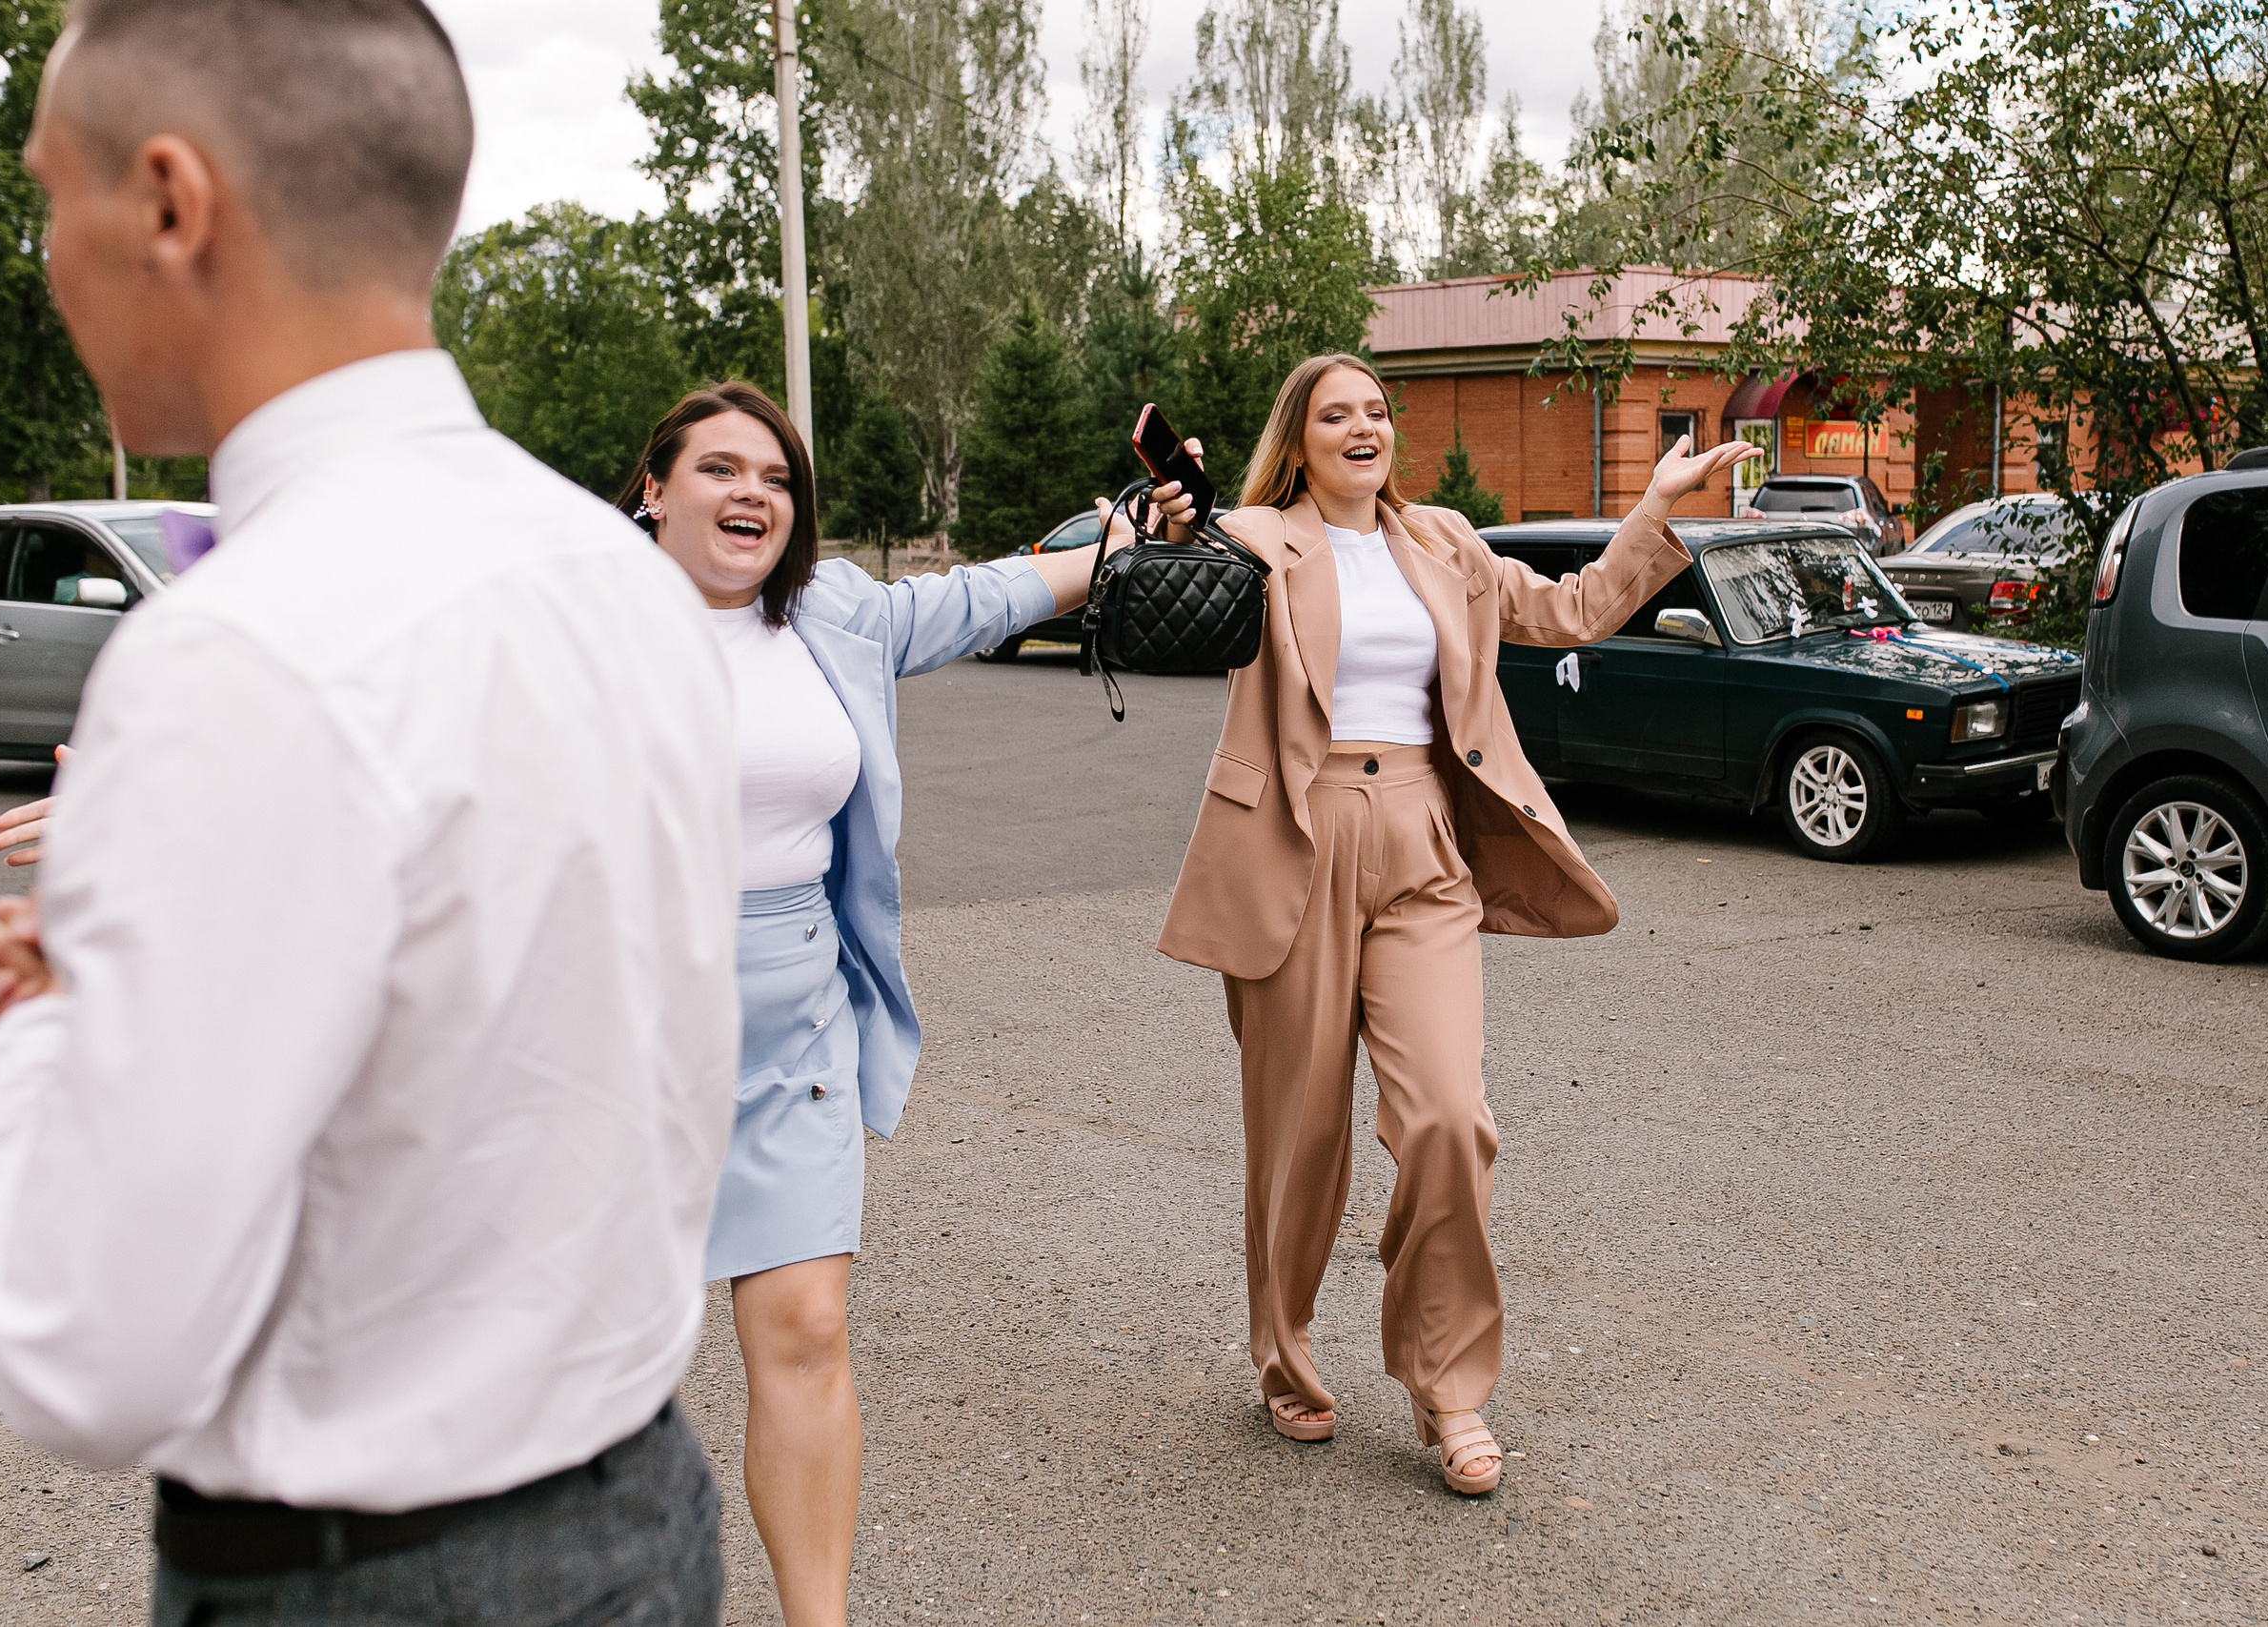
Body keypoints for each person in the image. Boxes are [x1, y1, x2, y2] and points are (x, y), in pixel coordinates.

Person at [0, 3, 740, 1621]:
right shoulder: (621, 580)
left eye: (50, 196)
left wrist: (12, 1050)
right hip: (643, 1513)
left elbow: (91, 1352)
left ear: (173, 204)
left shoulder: (237, 655)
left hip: (371, 1581)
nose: (44, 255)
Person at [616, 383, 1189, 1626]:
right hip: (619, 1025)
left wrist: (1118, 549)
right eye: (719, 469)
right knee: (606, 1358)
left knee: (808, 1327)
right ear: (656, 488)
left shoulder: (830, 610)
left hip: (796, 1011)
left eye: (774, 476)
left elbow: (982, 595)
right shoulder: (576, 624)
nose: (752, 493)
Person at [1156, 354, 1755, 1495]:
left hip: (1424, 838)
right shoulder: (1250, 540)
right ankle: (1284, 1357)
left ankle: (1449, 1387)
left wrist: (1652, 508)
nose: (1363, 427)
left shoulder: (1439, 541)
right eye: (1336, 414)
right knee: (1298, 1142)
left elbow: (1570, 613)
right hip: (1296, 835)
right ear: (1300, 439)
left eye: (1377, 410)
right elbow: (1162, 599)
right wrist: (1156, 518)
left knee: (1449, 1121)